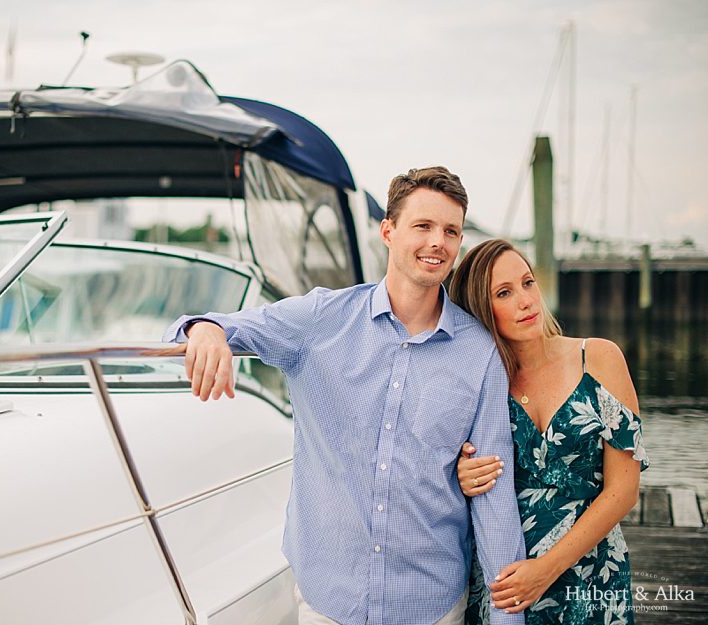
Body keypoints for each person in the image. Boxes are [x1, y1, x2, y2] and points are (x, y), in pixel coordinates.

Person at [163, 167, 526, 625]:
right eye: (423, 226)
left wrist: (506, 615)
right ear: (388, 231)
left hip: (431, 605)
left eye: (450, 231)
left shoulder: (479, 353)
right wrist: (206, 329)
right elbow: (211, 326)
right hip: (329, 601)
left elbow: (493, 496)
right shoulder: (321, 318)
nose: (438, 242)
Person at [448, 239, 648, 624]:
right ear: (479, 310)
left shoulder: (599, 359)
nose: (526, 300)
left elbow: (623, 491)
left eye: (527, 283)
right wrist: (461, 473)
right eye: (504, 293)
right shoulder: (478, 383)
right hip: (504, 580)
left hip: (590, 577)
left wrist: (547, 569)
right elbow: (435, 460)